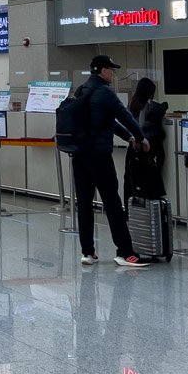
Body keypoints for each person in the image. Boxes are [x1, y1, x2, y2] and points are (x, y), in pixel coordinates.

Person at [71, 55, 152, 268]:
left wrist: (129, 137)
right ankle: (125, 252)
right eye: (111, 70)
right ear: (103, 71)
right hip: (99, 157)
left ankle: (87, 251)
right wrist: (141, 137)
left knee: (85, 203)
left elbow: (108, 122)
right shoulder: (105, 92)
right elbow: (125, 116)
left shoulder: (81, 90)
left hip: (79, 156)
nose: (113, 74)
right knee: (113, 204)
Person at [123, 77, 168, 202]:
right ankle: (151, 213)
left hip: (133, 150)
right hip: (149, 151)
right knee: (151, 182)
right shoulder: (154, 108)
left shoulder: (131, 105)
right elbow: (162, 108)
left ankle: (130, 210)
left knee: (131, 180)